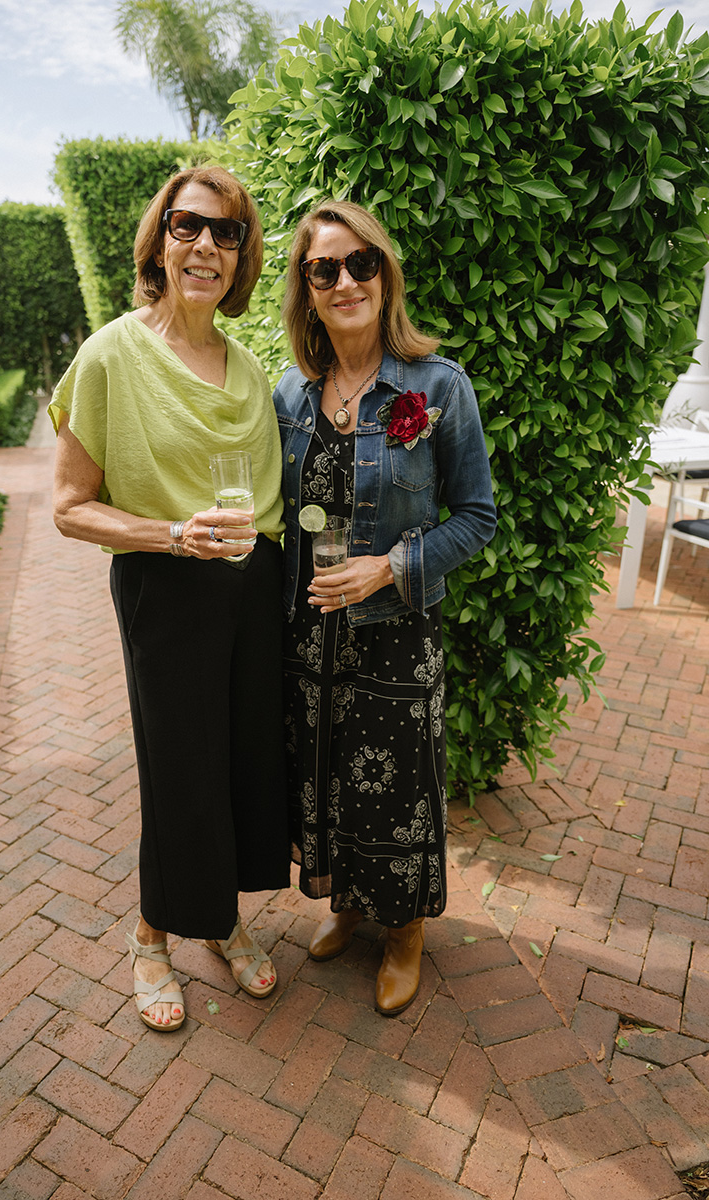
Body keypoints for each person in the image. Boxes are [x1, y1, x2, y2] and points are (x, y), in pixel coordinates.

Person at [49, 166, 289, 1031]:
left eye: (227, 233)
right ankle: (151, 936)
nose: (207, 246)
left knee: (242, 762)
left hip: (251, 585)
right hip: (167, 582)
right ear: (160, 241)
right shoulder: (111, 354)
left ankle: (220, 921)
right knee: (180, 768)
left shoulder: (249, 367)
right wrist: (172, 534)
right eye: (190, 226)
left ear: (241, 256)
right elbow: (70, 507)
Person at [274, 200, 497, 1016]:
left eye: (359, 263)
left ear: (384, 274)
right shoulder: (291, 395)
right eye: (324, 269)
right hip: (313, 631)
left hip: (397, 628)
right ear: (307, 289)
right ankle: (349, 902)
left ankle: (404, 931)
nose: (345, 281)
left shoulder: (437, 387)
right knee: (328, 771)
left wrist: (388, 568)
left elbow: (477, 517)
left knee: (397, 785)